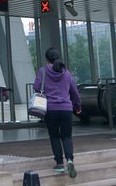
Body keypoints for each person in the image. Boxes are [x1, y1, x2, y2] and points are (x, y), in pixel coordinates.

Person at [33, 47, 82, 178]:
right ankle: (70, 160)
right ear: (58, 57)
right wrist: (78, 106)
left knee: (54, 136)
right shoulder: (66, 73)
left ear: (47, 59)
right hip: (66, 109)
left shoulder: (43, 71)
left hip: (50, 109)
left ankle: (59, 164)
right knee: (67, 136)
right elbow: (74, 91)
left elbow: (36, 87)